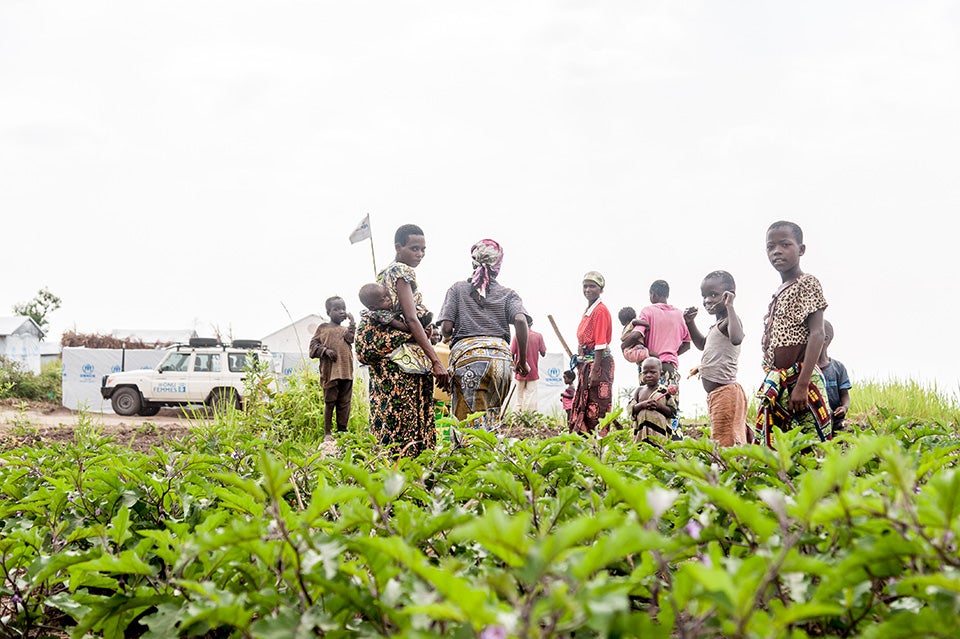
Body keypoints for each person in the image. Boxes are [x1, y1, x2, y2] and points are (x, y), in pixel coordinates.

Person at [354, 224, 448, 457]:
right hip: (401, 363)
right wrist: (435, 360)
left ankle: (385, 469)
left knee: (387, 415)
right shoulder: (401, 272)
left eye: (423, 250)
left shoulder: (384, 274)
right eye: (414, 248)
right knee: (408, 418)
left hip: (387, 360)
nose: (420, 254)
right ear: (398, 246)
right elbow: (412, 319)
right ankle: (411, 472)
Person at [439, 238, 530, 430]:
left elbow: (446, 329)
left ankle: (465, 458)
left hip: (469, 360)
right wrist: (521, 360)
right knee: (491, 420)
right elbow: (521, 321)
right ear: (498, 265)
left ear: (473, 262)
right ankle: (489, 458)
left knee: (466, 424)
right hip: (502, 362)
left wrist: (447, 338)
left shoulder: (457, 289)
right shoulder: (508, 294)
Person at [756, 220, 832, 447]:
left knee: (813, 446)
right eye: (771, 247)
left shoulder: (806, 283)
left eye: (785, 244)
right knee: (779, 449)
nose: (777, 251)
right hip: (779, 380)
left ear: (801, 249)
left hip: (801, 379)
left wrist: (802, 384)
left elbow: (817, 333)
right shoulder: (778, 291)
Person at [683, 270, 750, 446]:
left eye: (713, 295)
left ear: (729, 295)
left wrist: (730, 306)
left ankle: (727, 471)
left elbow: (737, 338)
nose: (707, 300)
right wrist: (690, 323)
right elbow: (702, 345)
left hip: (725, 393)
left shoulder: (730, 319)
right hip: (717, 394)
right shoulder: (716, 325)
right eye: (704, 296)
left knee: (724, 442)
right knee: (723, 437)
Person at [569, 271, 614, 435]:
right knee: (585, 402)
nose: (588, 289)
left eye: (592, 286)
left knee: (596, 404)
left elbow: (600, 343)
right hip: (586, 362)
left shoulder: (600, 311)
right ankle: (585, 438)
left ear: (600, 289)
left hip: (598, 363)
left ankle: (597, 440)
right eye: (585, 286)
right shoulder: (590, 310)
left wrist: (595, 370)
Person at [308, 296, 356, 438]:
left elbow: (350, 339)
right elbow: (312, 348)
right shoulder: (323, 328)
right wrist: (325, 351)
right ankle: (327, 432)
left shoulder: (345, 330)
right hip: (330, 372)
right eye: (337, 309)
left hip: (346, 372)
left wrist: (352, 322)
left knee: (344, 403)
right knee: (330, 402)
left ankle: (342, 430)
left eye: (343, 309)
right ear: (328, 312)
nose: (341, 312)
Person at [627, 356, 679, 442]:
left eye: (652, 372)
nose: (648, 375)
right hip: (640, 432)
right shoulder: (639, 390)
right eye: (645, 373)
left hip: (659, 433)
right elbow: (630, 410)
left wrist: (659, 406)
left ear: (661, 374)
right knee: (640, 452)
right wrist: (642, 405)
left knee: (658, 452)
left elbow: (672, 412)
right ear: (641, 374)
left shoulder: (664, 391)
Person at [819, 320, 851, 432]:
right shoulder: (806, 369)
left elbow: (845, 395)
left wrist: (844, 408)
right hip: (816, 423)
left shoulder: (838, 367)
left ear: (825, 339)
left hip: (836, 423)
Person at [510, 316, 547, 413]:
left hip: (520, 371)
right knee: (531, 396)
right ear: (532, 324)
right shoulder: (538, 336)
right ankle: (530, 417)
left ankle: (516, 417)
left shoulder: (516, 336)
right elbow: (543, 352)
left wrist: (514, 367)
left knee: (519, 397)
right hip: (532, 371)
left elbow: (511, 353)